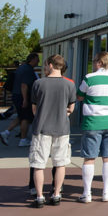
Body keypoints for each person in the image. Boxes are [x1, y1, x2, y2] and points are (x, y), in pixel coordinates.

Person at [76, 51, 108, 203]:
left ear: (99, 62)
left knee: (89, 158)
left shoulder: (89, 78)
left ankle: (87, 193)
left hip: (92, 122)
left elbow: (79, 96)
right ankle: (106, 191)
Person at [28, 55, 75, 207]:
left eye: (45, 65)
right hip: (62, 128)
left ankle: (39, 196)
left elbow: (34, 109)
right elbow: (71, 108)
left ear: (50, 65)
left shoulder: (38, 83)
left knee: (38, 163)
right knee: (60, 163)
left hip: (42, 127)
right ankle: (56, 193)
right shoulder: (69, 85)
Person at [0, 52, 39, 147]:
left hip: (17, 95)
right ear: (32, 59)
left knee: (21, 116)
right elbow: (24, 85)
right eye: (37, 60)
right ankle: (23, 139)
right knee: (26, 118)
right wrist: (25, 99)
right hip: (23, 96)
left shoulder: (21, 68)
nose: (38, 62)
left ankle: (6, 132)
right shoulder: (28, 70)